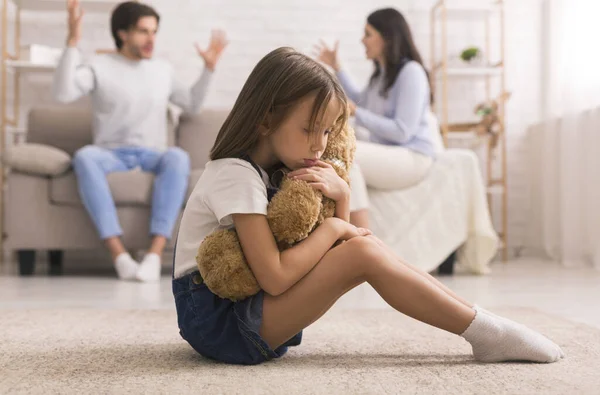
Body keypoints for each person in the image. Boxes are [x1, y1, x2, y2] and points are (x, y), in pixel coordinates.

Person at [172, 47, 564, 365]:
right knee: (362, 249)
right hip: (220, 324)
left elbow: (341, 251)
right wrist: (336, 227)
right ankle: (487, 332)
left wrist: (342, 197)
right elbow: (275, 277)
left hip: (245, 312)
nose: (319, 144)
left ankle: (485, 325)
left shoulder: (276, 173)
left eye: (327, 131)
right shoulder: (235, 174)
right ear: (264, 121)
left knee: (367, 248)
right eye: (309, 129)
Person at [52, 0, 227, 282]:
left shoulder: (161, 70)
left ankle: (154, 255)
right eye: (143, 32)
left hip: (151, 153)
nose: (151, 39)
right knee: (84, 156)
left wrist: (208, 69)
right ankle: (119, 255)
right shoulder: (100, 66)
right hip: (109, 152)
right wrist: (72, 42)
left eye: (154, 32)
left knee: (178, 157)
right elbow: (62, 92)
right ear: (122, 33)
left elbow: (192, 105)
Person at [316, 8, 439, 229]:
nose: (362, 40)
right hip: (393, 153)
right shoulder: (381, 75)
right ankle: (357, 238)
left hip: (413, 156)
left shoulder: (411, 72)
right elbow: (360, 101)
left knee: (348, 156)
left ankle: (364, 239)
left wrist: (357, 113)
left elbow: (403, 131)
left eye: (368, 34)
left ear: (387, 37)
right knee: (344, 155)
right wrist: (337, 67)